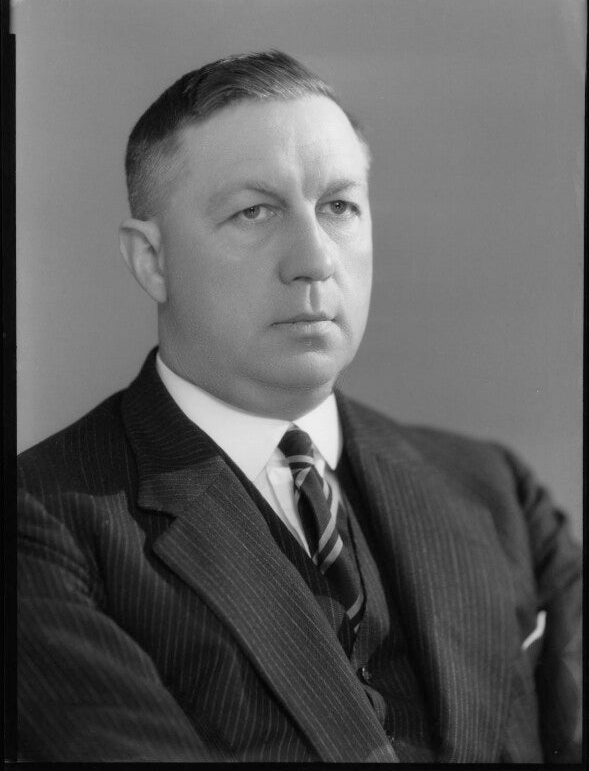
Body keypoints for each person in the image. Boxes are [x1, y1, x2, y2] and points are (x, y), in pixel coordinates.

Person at [17, 50, 581, 763]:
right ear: (151, 260)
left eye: (339, 207)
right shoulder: (41, 523)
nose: (314, 259)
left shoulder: (499, 495)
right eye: (254, 211)